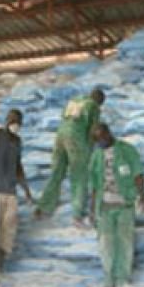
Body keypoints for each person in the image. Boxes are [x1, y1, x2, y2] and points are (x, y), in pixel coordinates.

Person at [34, 88, 105, 228]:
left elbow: (65, 120)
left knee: (56, 172)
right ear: (99, 101)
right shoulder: (93, 106)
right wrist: (92, 148)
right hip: (76, 139)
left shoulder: (73, 101)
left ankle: (42, 209)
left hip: (61, 136)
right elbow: (92, 130)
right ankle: (77, 216)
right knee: (79, 176)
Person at [89, 123, 144, 287]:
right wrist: (92, 209)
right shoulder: (96, 156)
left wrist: (143, 196)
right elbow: (93, 185)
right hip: (104, 206)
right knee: (105, 243)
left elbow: (138, 174)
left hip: (124, 204)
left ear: (108, 133)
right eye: (97, 140)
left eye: (102, 138)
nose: (101, 142)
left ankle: (123, 278)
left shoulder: (127, 151)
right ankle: (109, 278)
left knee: (125, 242)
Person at [0, 109, 33, 265]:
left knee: (8, 227)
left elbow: (18, 166)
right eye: (12, 121)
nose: (15, 124)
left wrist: (27, 190)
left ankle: (1, 259)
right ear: (7, 121)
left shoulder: (17, 141)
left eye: (18, 122)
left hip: (10, 191)